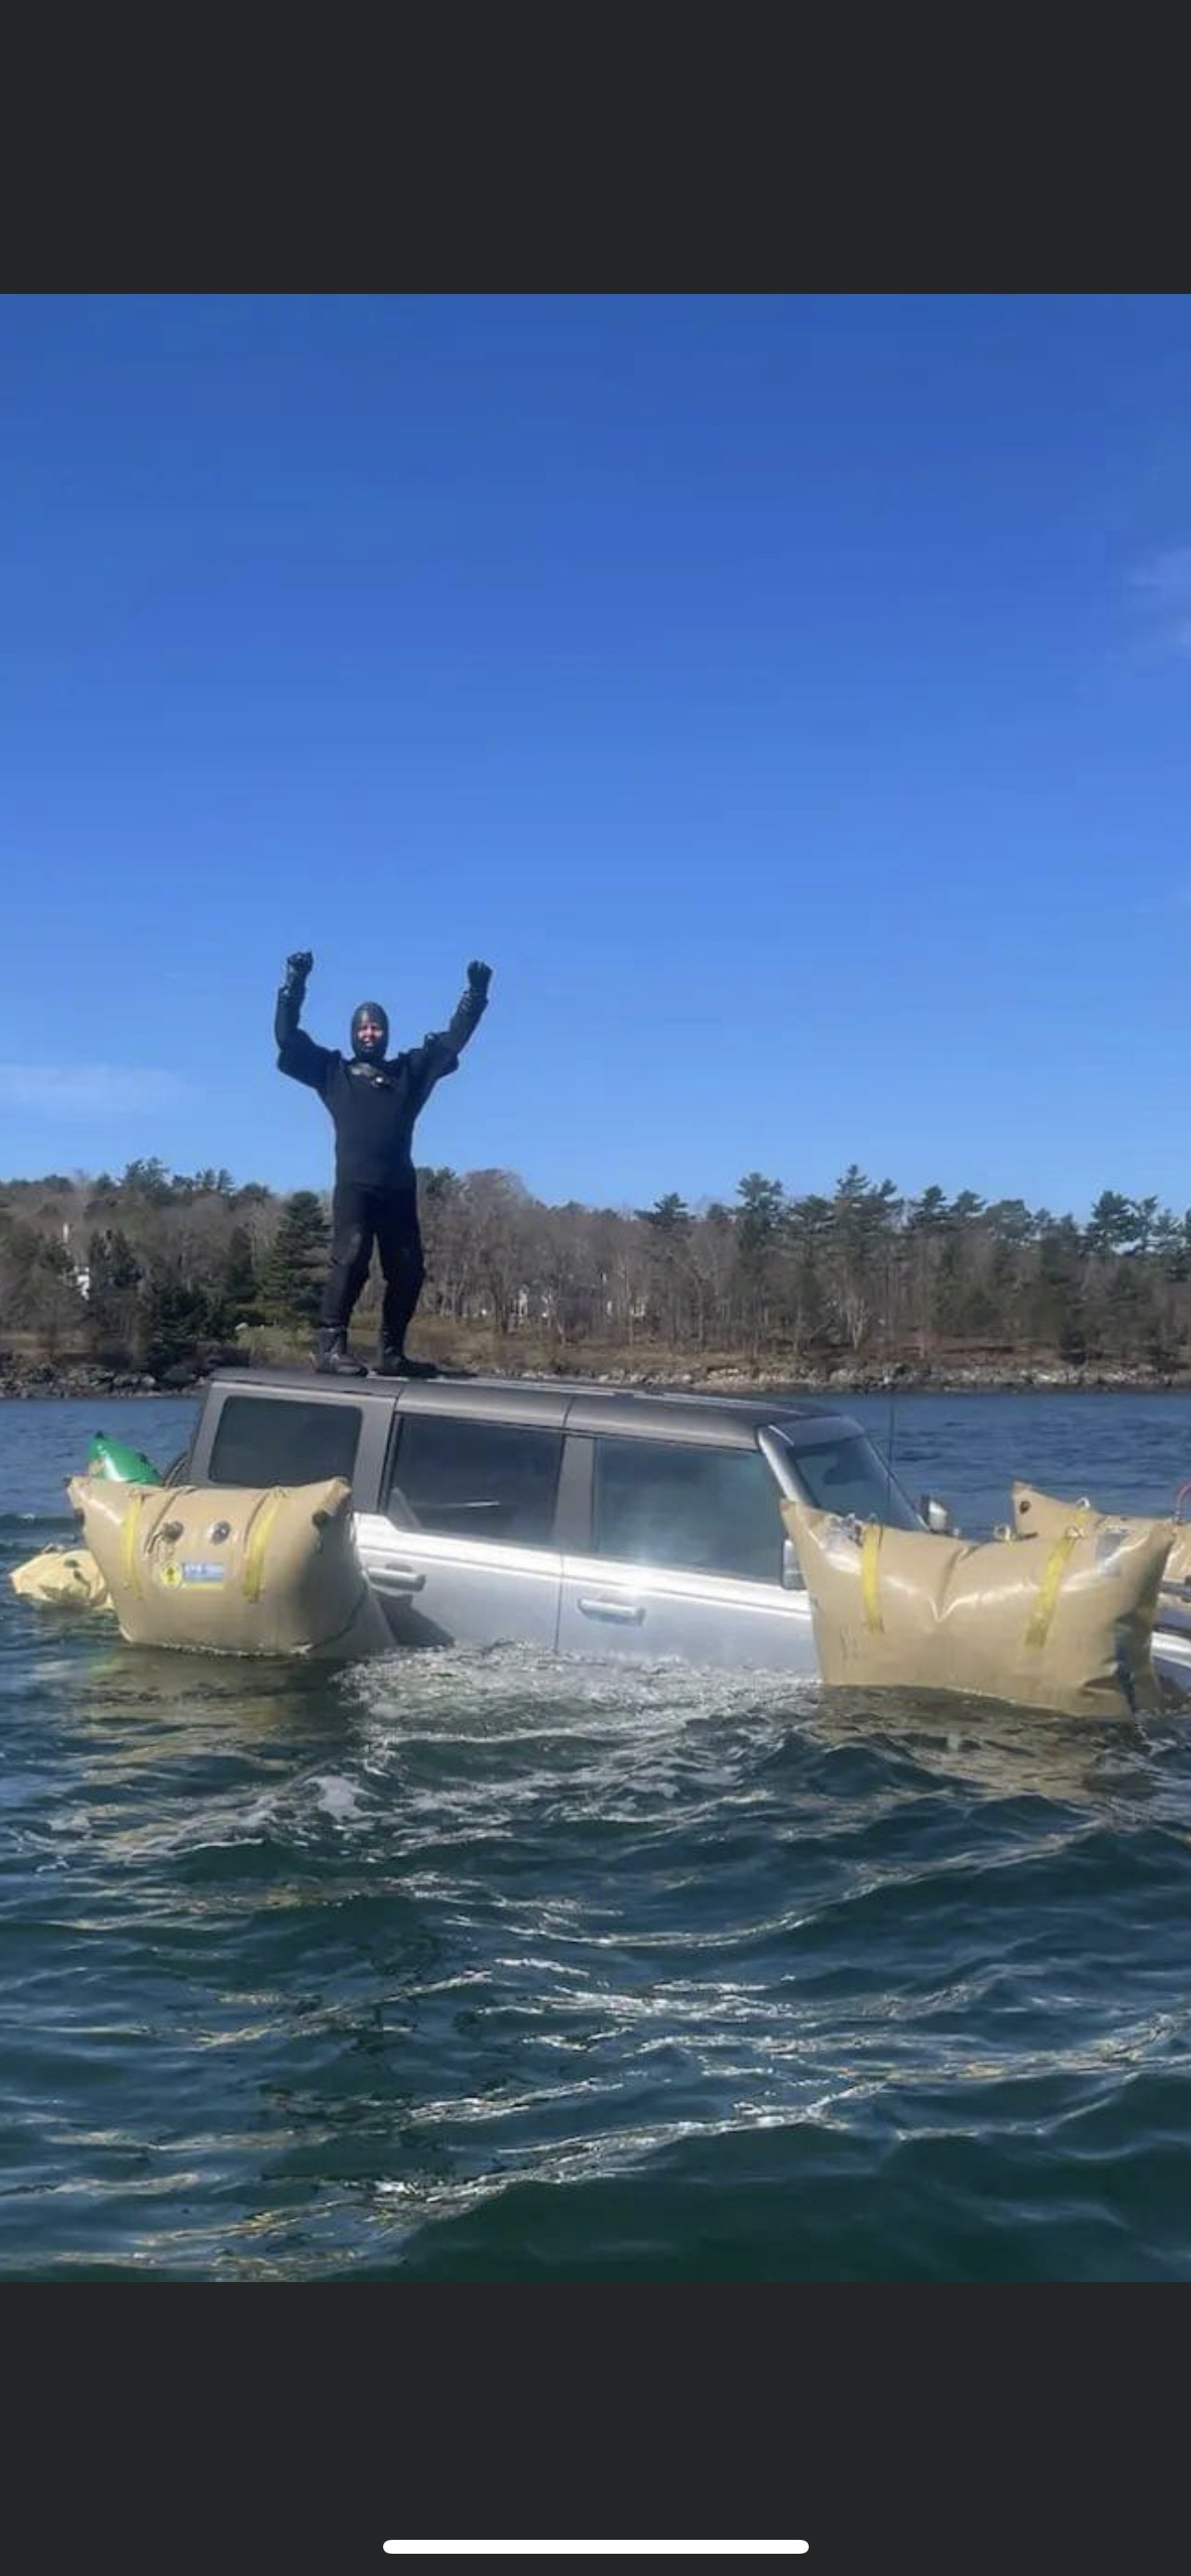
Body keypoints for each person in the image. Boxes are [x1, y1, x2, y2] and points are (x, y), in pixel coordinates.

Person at [275, 949, 492, 1376]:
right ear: (354, 1033)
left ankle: (391, 1353)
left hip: (397, 1188)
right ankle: (331, 1346)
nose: (370, 1033)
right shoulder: (333, 1071)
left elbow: (452, 1040)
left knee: (408, 1271)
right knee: (351, 1259)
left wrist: (475, 998)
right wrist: (293, 986)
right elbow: (287, 1038)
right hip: (355, 1187)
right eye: (363, 1027)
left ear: (386, 1033)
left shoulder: (409, 1073)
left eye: (376, 1027)